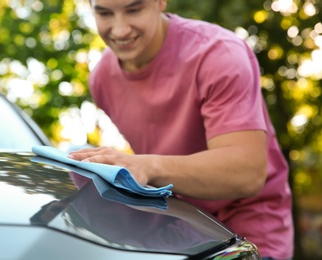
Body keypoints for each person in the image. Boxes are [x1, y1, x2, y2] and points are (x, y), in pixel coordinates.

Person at [68, 0, 294, 259]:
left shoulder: (219, 53)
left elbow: (247, 173)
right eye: (105, 13)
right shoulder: (102, 79)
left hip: (249, 238)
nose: (120, 30)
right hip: (181, 230)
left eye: (133, 10)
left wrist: (147, 166)